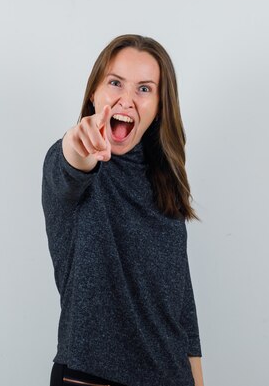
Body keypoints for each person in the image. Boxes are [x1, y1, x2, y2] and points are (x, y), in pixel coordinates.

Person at [42, 34, 204, 386]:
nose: (126, 99)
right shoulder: (73, 164)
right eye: (115, 82)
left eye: (144, 89)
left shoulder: (165, 179)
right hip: (90, 377)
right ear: (94, 93)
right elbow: (72, 161)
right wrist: (78, 142)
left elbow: (181, 304)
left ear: (160, 106)